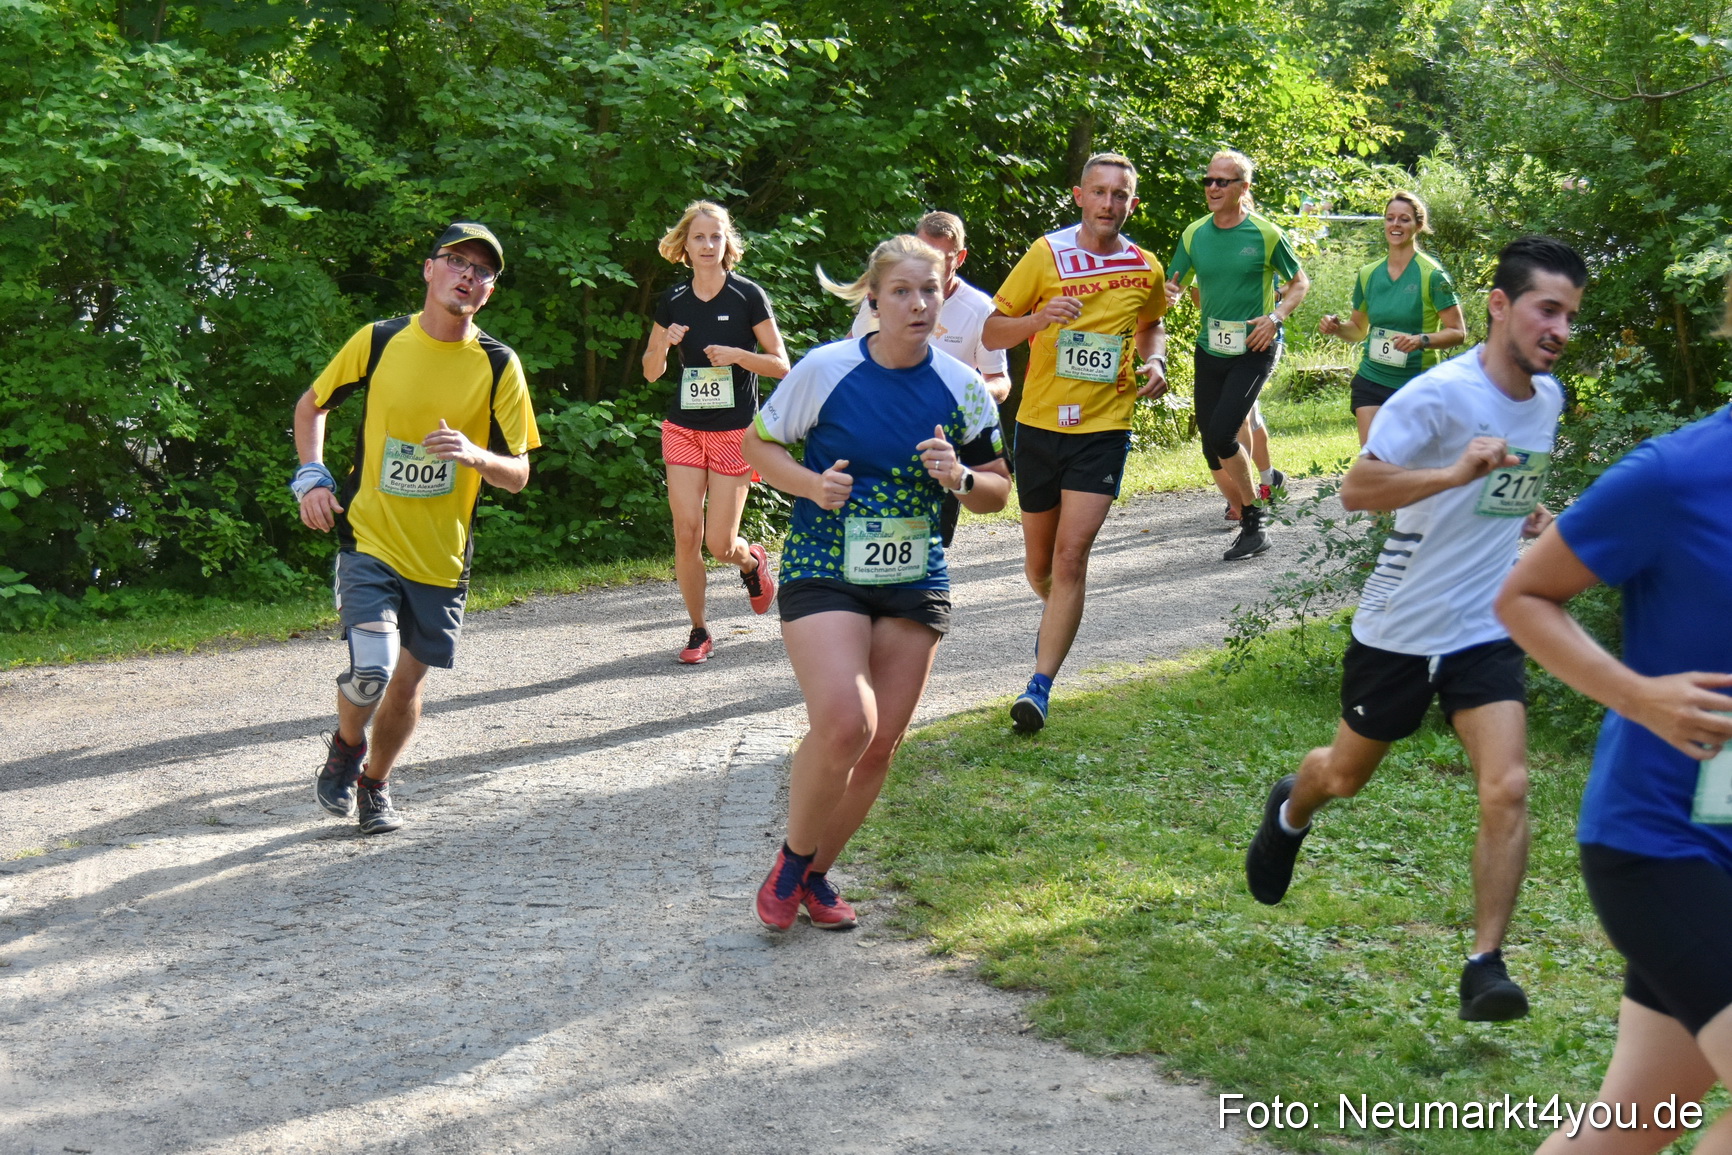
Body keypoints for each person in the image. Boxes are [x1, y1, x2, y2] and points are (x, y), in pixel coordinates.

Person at [1242, 235, 1587, 1021]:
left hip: (1485, 625)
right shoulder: (1439, 396)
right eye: (1547, 310)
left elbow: (1499, 493)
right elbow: (1358, 489)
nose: (1560, 329)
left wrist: (1529, 512)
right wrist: (1455, 471)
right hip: (1401, 624)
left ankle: (1485, 965)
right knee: (1344, 775)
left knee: (1508, 784)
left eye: (1570, 315)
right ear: (1499, 305)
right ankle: (1291, 808)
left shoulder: (1548, 401)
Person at [1497, 282, 1732, 1153]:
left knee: (1625, 1128)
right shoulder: (1677, 473)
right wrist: (1639, 695)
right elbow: (1524, 595)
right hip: (1667, 843)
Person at [743, 235, 1011, 931]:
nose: (918, 304)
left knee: (880, 742)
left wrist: (961, 478)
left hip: (915, 575)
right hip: (824, 565)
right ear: (874, 298)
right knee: (846, 723)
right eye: (902, 291)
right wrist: (810, 484)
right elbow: (757, 443)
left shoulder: (963, 385)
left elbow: (997, 489)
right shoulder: (826, 368)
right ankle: (792, 862)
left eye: (930, 290)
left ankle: (814, 876)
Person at [291, 222, 540, 834]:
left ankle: (374, 783)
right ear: (429, 270)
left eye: (482, 271)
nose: (467, 276)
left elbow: (519, 474)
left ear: (489, 290)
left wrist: (474, 454)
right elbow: (312, 405)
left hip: (442, 556)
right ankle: (347, 747)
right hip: (370, 537)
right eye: (456, 261)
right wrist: (312, 477)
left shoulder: (498, 364)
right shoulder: (379, 340)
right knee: (371, 669)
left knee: (403, 687)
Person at [982, 152, 1170, 734]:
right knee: (1040, 565)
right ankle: (1058, 615)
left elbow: (1151, 325)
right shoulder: (1047, 254)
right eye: (1100, 192)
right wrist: (1037, 321)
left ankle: (1038, 687)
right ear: (1079, 196)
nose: (1109, 203)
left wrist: (1156, 361)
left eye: (1120, 194)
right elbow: (992, 331)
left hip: (1105, 428)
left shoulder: (1145, 267)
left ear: (1132, 202)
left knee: (1071, 557)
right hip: (1040, 425)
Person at [643, 200, 790, 664]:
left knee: (720, 545)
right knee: (686, 533)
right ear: (685, 246)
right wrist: (664, 345)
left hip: (734, 433)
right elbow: (650, 371)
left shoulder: (747, 296)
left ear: (727, 244)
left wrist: (739, 356)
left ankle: (751, 562)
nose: (708, 245)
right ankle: (699, 630)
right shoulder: (673, 300)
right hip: (683, 429)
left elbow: (781, 364)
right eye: (699, 237)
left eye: (715, 236)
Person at [1166, 149, 1310, 560]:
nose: (1212, 188)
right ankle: (1252, 509)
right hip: (1210, 347)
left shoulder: (1265, 233)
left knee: (1222, 434)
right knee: (1211, 444)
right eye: (1208, 180)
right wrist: (1169, 294)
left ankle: (1254, 522)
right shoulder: (1194, 234)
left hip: (1254, 347)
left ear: (1243, 188)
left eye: (1221, 182)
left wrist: (1275, 317)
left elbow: (1300, 283)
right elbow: (1174, 284)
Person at [850, 211, 1012, 547]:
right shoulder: (884, 297)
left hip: (939, 441)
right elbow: (850, 355)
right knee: (865, 535)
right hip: (877, 429)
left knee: (923, 544)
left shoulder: (980, 309)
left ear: (960, 258)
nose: (932, 263)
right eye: (925, 251)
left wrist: (969, 395)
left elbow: (999, 379)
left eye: (943, 257)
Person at [1319, 192, 1468, 445]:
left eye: (1404, 219)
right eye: (1390, 218)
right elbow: (1358, 330)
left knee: (1409, 461)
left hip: (1416, 383)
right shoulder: (1368, 274)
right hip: (1372, 378)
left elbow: (1458, 332)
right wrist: (1337, 328)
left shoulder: (1432, 275)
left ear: (1418, 225)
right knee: (1372, 457)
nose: (1395, 224)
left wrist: (1421, 340)